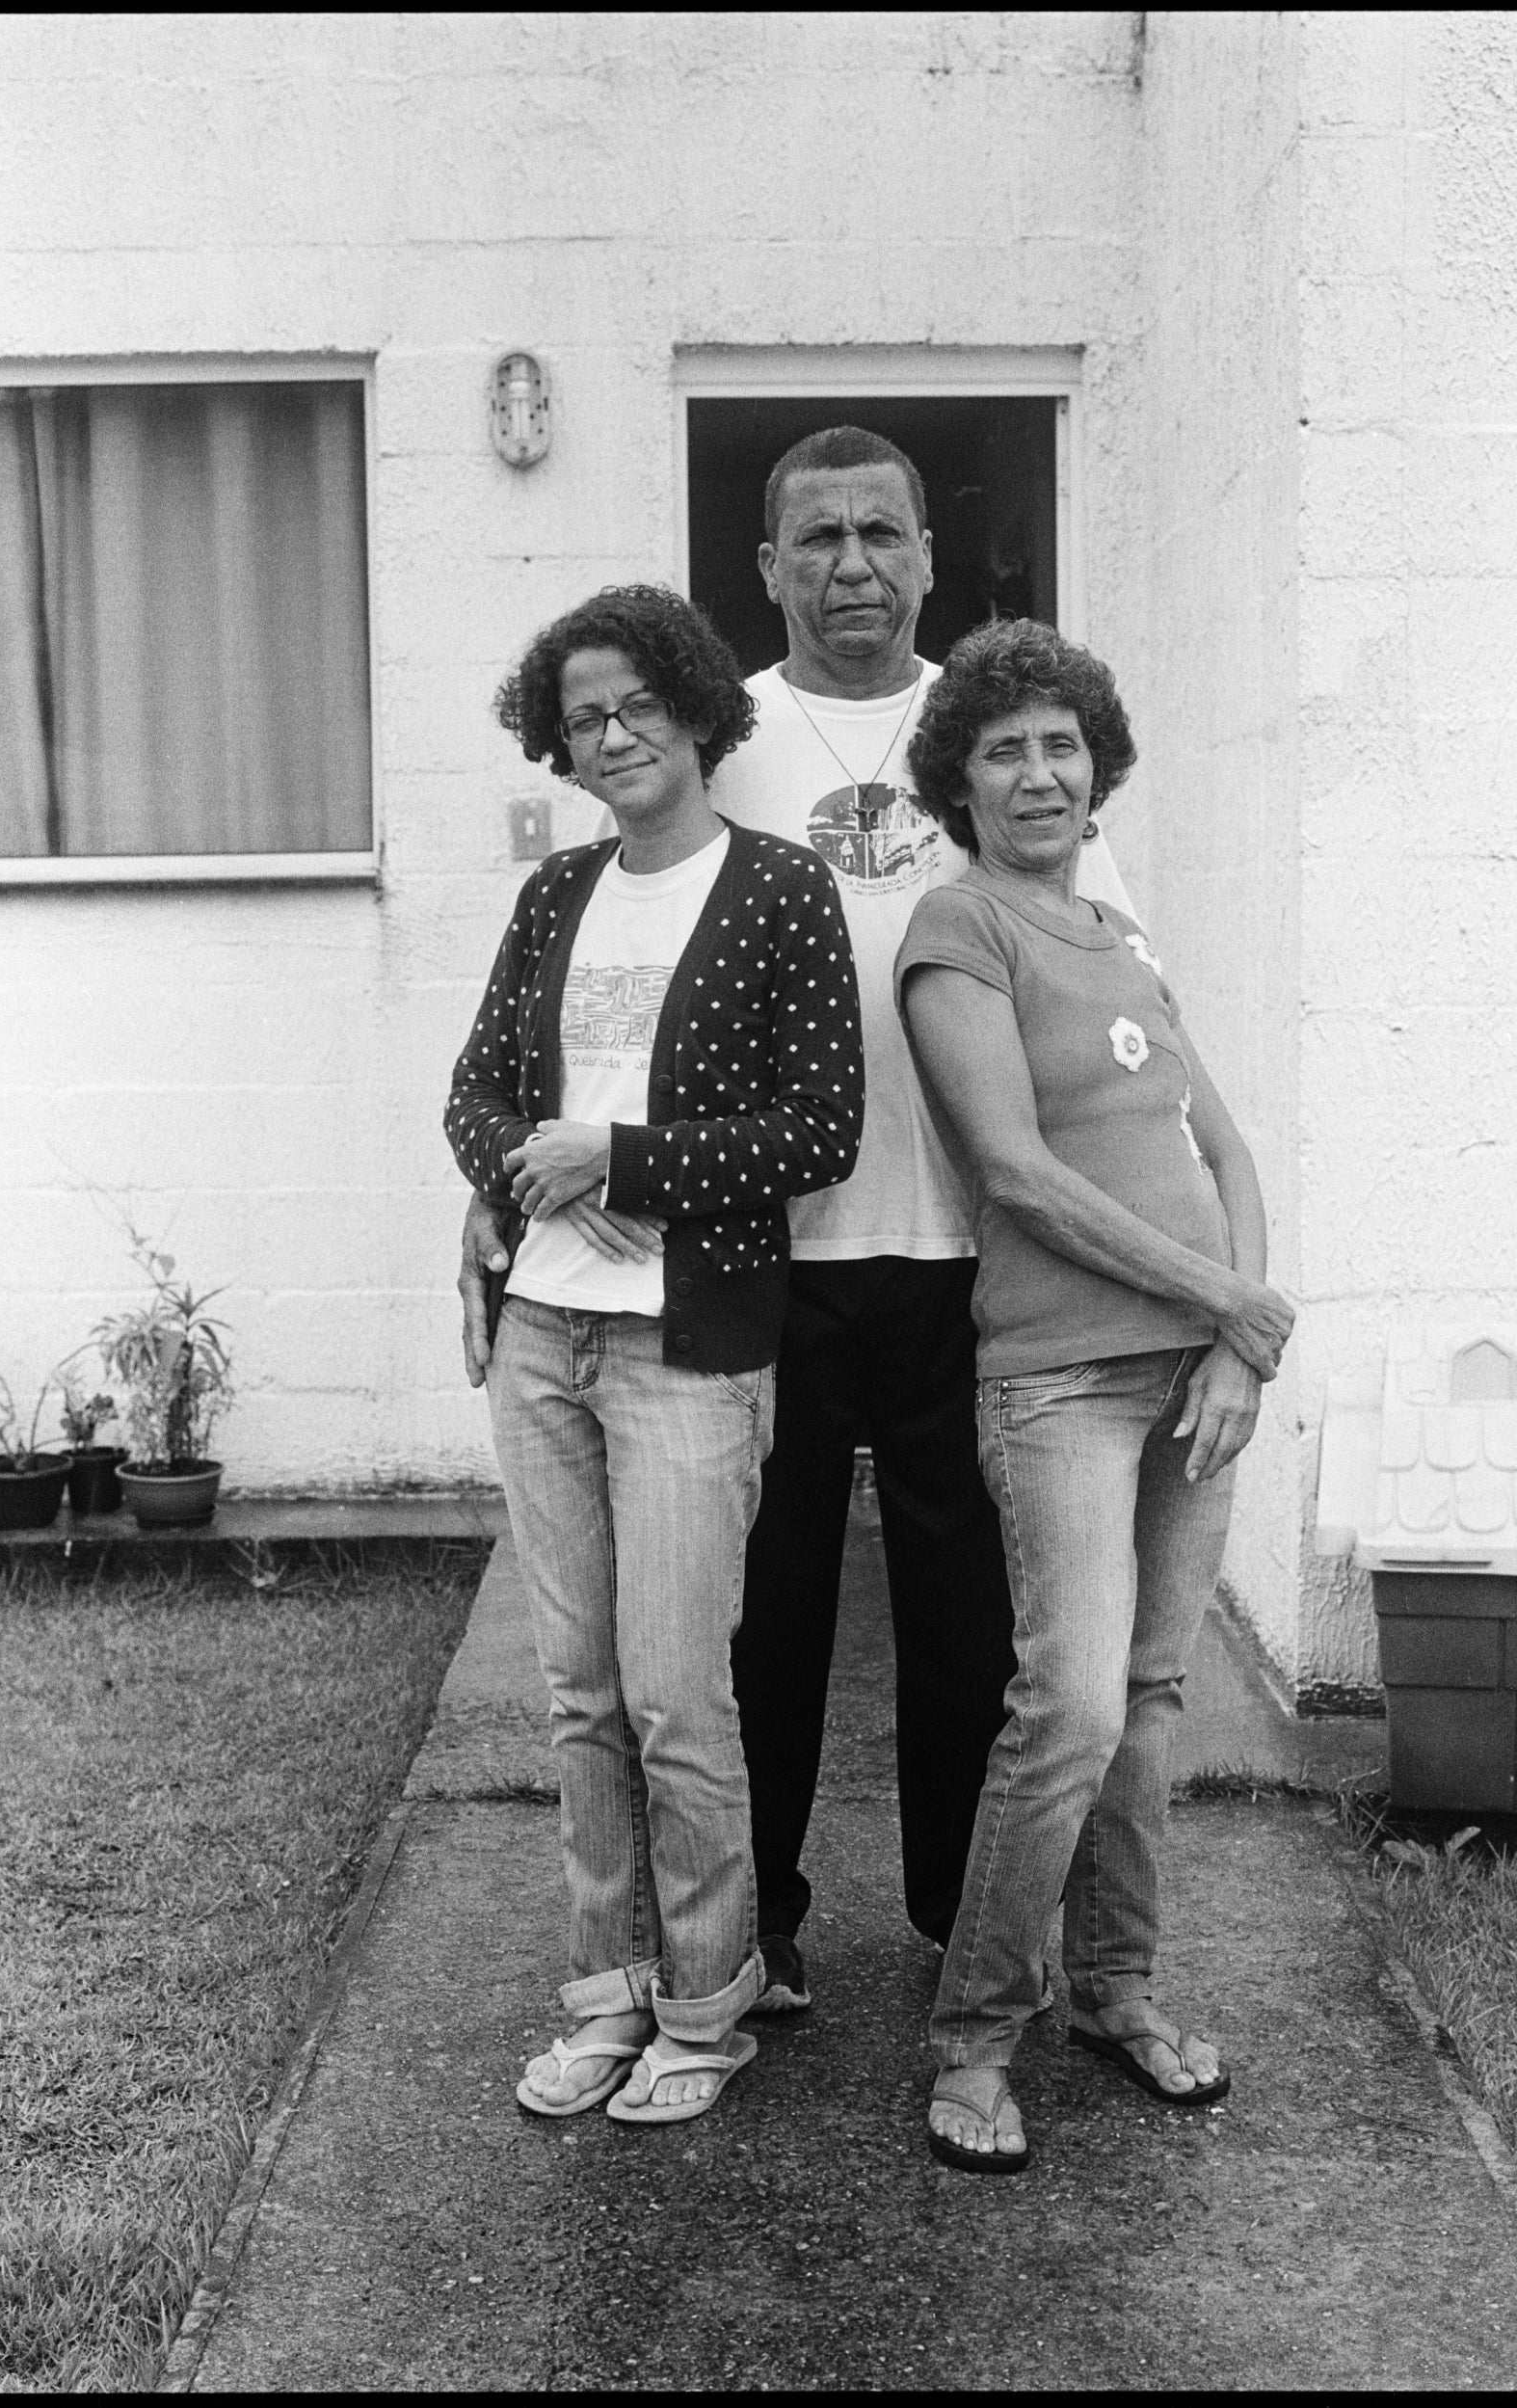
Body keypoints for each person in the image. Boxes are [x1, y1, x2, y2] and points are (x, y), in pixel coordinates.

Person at [459, 427, 1146, 2013]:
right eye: (816, 537)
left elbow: (1110, 968)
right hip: (756, 1258)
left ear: (927, 553)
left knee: (969, 1625)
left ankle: (956, 1930)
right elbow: (583, 1012)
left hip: (973, 1249)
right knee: (750, 1629)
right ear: (765, 568)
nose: (852, 563)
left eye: (882, 533)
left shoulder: (988, 732)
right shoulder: (717, 731)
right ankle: (742, 1934)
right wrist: (496, 1191)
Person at [445, 584, 863, 2126]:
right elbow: (475, 1100)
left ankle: (708, 2001)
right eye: (583, 719)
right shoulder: (556, 895)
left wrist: (616, 1158)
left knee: (681, 1690)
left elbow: (823, 1133)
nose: (612, 736)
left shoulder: (779, 891)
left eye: (636, 707)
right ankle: (606, 1992)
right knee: (579, 1692)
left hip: (691, 1349)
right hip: (541, 1337)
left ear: (696, 712)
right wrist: (525, 1180)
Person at [891, 618, 1296, 2175]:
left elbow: (1230, 1151)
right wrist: (1230, 1302)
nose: (1039, 771)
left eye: (1062, 745)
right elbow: (1014, 1170)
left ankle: (1117, 1987)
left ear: (1097, 768)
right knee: (1063, 1705)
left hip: (1198, 1377)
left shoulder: (1123, 941)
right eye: (1005, 748)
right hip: (1061, 1378)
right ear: (962, 781)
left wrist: (1239, 1337)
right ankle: (975, 2033)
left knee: (1150, 1701)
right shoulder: (958, 928)